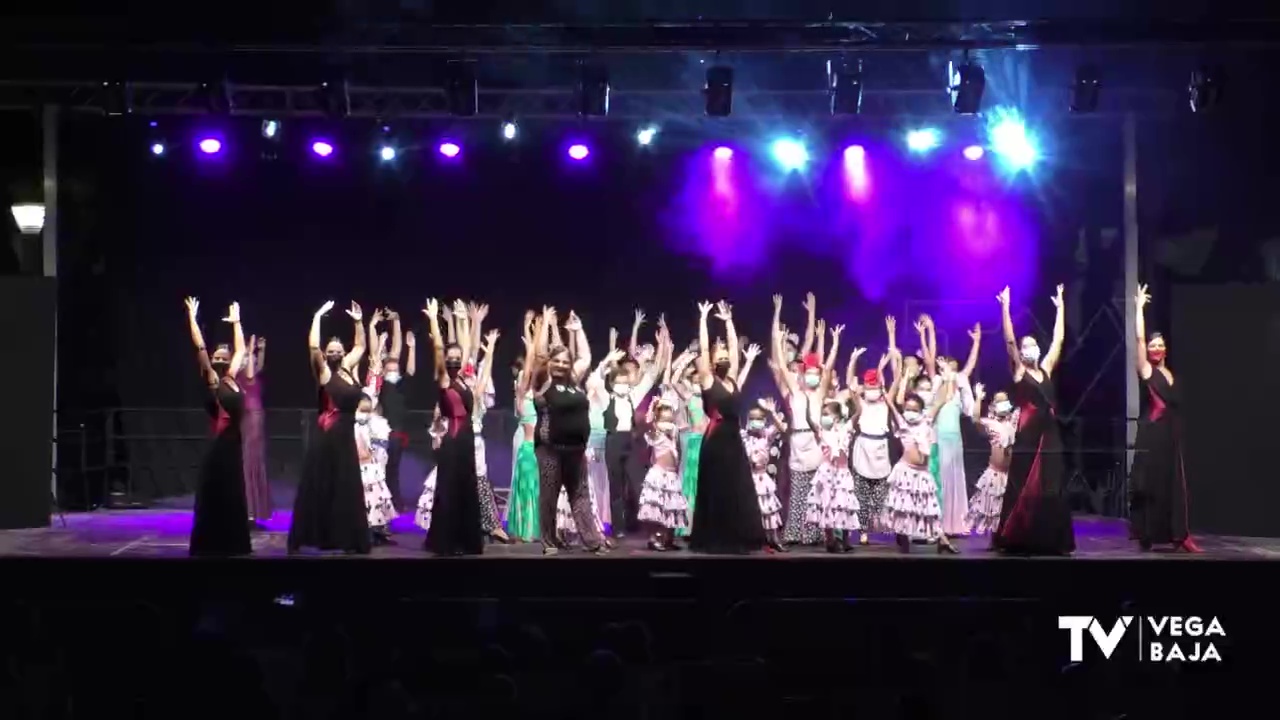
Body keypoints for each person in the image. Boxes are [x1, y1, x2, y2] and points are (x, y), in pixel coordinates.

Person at [993, 284, 1076, 556]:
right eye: (1026, 346)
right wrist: (1005, 307)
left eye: (1033, 345)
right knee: (1024, 483)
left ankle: (1051, 539)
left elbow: (1059, 340)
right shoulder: (1019, 371)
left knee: (1052, 483)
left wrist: (1061, 307)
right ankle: (1018, 536)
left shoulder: (1046, 368)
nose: (1030, 349)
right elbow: (1009, 341)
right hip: (1028, 434)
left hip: (1050, 434)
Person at [287, 300, 371, 555]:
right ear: (326, 354)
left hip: (346, 436)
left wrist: (358, 321)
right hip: (326, 436)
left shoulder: (349, 370)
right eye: (330, 351)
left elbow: (361, 346)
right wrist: (318, 316)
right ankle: (313, 535)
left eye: (338, 350)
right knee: (321, 485)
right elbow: (313, 346)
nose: (335, 354)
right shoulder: (323, 372)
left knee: (346, 487)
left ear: (343, 353)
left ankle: (345, 538)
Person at [526, 307, 611, 555]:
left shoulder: (573, 381)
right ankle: (549, 542)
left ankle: (592, 541)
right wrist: (545, 326)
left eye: (565, 361)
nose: (562, 365)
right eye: (557, 361)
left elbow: (585, 356)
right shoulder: (543, 381)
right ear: (550, 362)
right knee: (549, 497)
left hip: (576, 450)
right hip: (550, 450)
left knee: (580, 496)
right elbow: (540, 356)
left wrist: (578, 329)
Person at [689, 300, 766, 554]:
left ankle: (737, 536)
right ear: (712, 362)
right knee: (717, 488)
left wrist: (729, 321)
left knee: (737, 489)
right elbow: (703, 347)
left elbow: (734, 350)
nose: (724, 358)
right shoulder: (708, 379)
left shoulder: (732, 379)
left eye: (725, 357)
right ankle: (715, 537)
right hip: (716, 441)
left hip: (734, 441)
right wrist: (703, 320)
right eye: (719, 356)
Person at [1129, 284, 1201, 552]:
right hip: (1153, 434)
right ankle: (1147, 533)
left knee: (1174, 484)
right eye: (1153, 346)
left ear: (1166, 349)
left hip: (1172, 434)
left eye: (1160, 345)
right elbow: (1138, 339)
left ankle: (1179, 534)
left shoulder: (1171, 374)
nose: (1156, 348)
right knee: (1152, 483)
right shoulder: (1147, 370)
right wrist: (1139, 308)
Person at [183, 297, 252, 557]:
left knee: (233, 494)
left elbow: (241, 350)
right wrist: (192, 319)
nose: (220, 360)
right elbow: (200, 347)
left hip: (234, 445)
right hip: (219, 446)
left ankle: (233, 543)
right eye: (217, 357)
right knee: (217, 493)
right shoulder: (213, 379)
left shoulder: (232, 378)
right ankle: (210, 543)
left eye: (224, 357)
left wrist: (237, 323)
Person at [421, 299, 484, 556]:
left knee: (466, 488)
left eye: (458, 358)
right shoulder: (444, 379)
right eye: (451, 358)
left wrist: (469, 321)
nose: (456, 361)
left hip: (467, 439)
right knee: (449, 488)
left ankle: (465, 540)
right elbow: (438, 348)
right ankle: (446, 540)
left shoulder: (465, 380)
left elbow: (468, 348)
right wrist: (434, 320)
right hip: (452, 440)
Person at [882, 370, 961, 554]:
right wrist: (892, 386)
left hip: (922, 473)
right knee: (903, 507)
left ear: (921, 411)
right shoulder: (902, 424)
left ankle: (942, 540)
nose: (910, 413)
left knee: (929, 507)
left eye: (914, 410)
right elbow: (890, 403)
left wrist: (947, 379)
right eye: (908, 409)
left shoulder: (926, 421)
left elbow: (941, 401)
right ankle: (903, 537)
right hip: (905, 471)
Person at [769, 294, 825, 547]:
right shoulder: (787, 386)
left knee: (813, 486)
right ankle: (790, 528)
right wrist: (777, 317)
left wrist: (811, 314)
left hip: (809, 438)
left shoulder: (808, 389)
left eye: (798, 369)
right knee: (790, 486)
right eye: (793, 369)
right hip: (788, 436)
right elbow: (779, 360)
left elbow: (811, 349)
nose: (795, 371)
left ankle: (812, 531)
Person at [637, 398, 689, 550]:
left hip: (672, 475)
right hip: (659, 475)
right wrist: (653, 407)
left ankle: (668, 538)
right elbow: (647, 424)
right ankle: (654, 538)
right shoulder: (655, 431)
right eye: (664, 415)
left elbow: (678, 449)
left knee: (671, 508)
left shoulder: (674, 431)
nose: (667, 417)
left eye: (669, 414)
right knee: (657, 509)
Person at [966, 383, 1016, 539]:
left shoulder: (1014, 421)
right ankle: (995, 538)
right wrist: (978, 398)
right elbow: (975, 420)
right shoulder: (990, 424)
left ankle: (1006, 537)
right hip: (995, 472)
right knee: (992, 507)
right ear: (993, 406)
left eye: (1005, 401)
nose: (1002, 404)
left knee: (1006, 508)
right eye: (998, 401)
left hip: (1010, 473)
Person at [742, 398, 787, 552]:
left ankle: (774, 539)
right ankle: (752, 540)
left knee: (769, 509)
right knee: (751, 509)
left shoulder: (766, 434)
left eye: (760, 418)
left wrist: (772, 412)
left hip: (763, 477)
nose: (756, 421)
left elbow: (782, 428)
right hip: (748, 477)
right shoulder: (743, 435)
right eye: (753, 418)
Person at [354, 391, 398, 544]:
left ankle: (377, 531)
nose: (365, 414)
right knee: (365, 499)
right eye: (362, 410)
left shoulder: (372, 424)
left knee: (376, 499)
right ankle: (365, 533)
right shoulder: (355, 426)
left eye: (368, 410)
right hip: (361, 467)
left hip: (372, 468)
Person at [240, 335, 272, 527]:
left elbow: (257, 367)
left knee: (253, 460)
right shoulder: (240, 374)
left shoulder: (251, 373)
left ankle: (253, 510)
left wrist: (260, 350)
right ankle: (248, 510)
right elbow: (251, 372)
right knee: (247, 461)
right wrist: (250, 350)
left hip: (254, 417)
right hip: (246, 416)